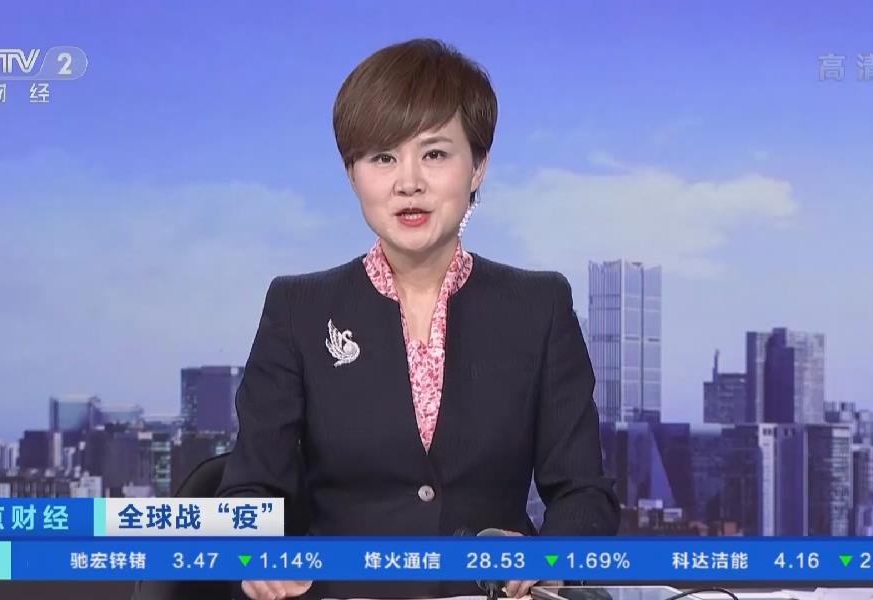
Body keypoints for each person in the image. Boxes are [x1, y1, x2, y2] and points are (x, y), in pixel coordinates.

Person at [216, 37, 620, 600]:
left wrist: (545, 558)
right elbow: (250, 490)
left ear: (478, 167)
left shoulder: (539, 306)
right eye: (382, 157)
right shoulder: (297, 309)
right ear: (352, 174)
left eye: (434, 154)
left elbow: (584, 494)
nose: (408, 182)